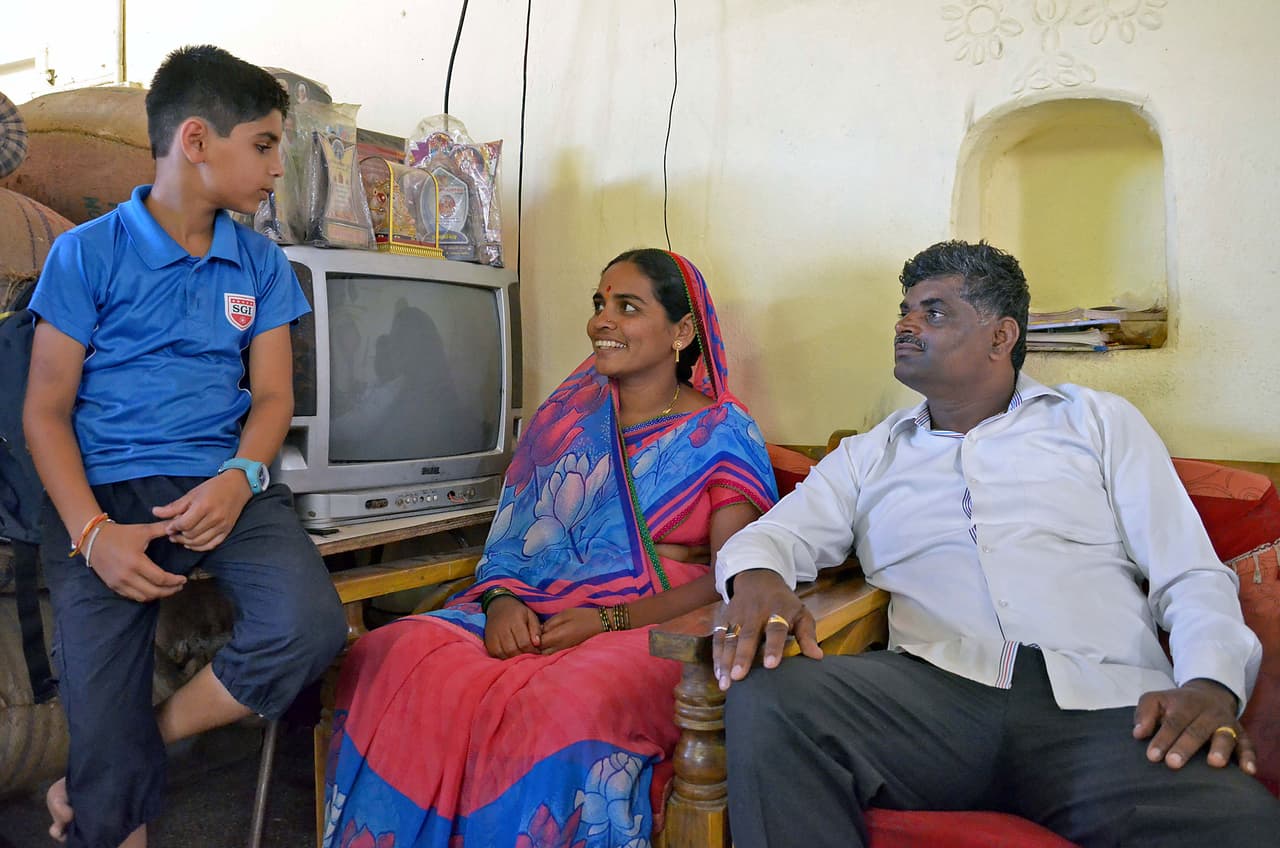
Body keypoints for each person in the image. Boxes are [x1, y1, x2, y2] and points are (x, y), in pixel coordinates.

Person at [713, 240, 1280, 847]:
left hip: (1104, 707)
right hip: (930, 701)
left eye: (934, 312)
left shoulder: (1096, 423)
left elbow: (1189, 573)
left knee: (1239, 821)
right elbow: (771, 536)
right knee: (772, 696)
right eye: (904, 311)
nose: (906, 324)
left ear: (1000, 336)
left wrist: (1209, 684)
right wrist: (760, 580)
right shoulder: (867, 455)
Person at [323, 249, 778, 847]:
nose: (602, 321)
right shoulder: (568, 420)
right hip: (540, 609)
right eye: (599, 304)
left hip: (656, 624)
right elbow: (515, 539)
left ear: (683, 332)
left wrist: (609, 618)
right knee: (390, 653)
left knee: (561, 707)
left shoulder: (722, 429)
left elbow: (731, 578)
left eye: (628, 307)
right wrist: (502, 600)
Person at [23, 45, 347, 848]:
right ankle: (108, 790)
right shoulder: (86, 253)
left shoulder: (261, 262)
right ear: (197, 141)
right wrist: (92, 537)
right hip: (104, 493)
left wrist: (241, 476)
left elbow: (274, 397)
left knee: (310, 626)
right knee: (103, 773)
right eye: (266, 145)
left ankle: (126, 753)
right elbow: (44, 411)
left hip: (224, 484)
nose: (278, 168)